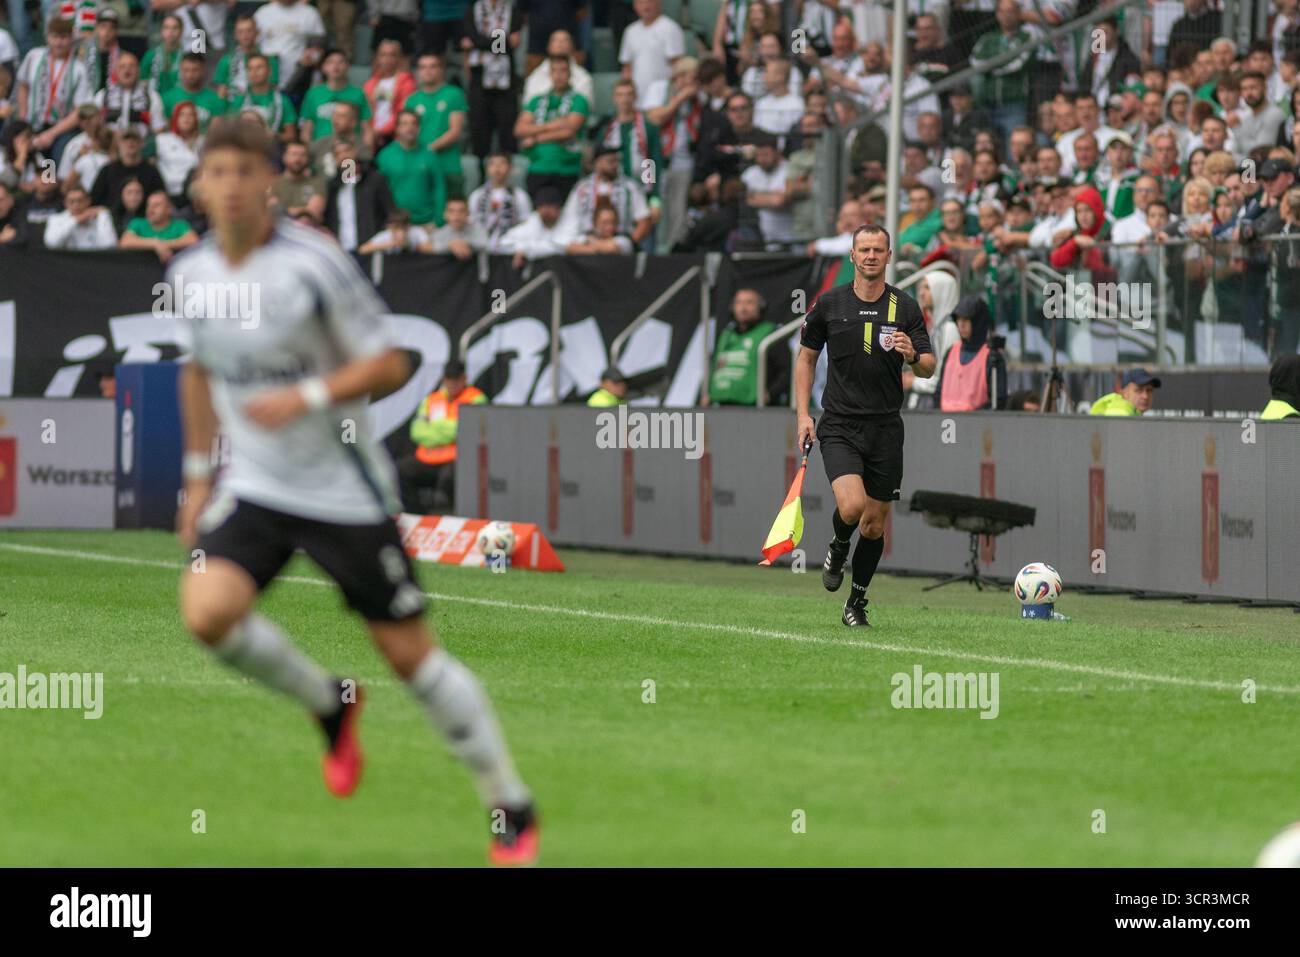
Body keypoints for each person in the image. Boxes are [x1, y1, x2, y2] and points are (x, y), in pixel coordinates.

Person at [173, 120, 538, 866]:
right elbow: (197, 368)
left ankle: (508, 800)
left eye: (246, 170)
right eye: (218, 171)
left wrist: (309, 392)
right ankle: (328, 703)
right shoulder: (192, 275)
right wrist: (198, 476)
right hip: (257, 486)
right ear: (200, 184)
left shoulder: (314, 263)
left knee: (410, 656)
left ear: (270, 181)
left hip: (344, 489)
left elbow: (392, 362)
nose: (233, 185)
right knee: (207, 610)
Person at [795, 225, 935, 627]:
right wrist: (803, 415)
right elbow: (805, 359)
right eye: (864, 249)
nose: (871, 256)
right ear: (853, 256)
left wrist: (912, 356)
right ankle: (839, 546)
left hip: (886, 428)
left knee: (874, 524)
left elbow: (929, 366)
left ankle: (856, 603)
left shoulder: (905, 307)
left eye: (878, 249)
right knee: (852, 506)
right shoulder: (830, 304)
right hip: (839, 423)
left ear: (889, 256)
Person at [397, 359, 486, 511]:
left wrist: (435, 427)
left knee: (450, 477)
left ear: (464, 379)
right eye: (448, 380)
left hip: (456, 459)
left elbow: (468, 431)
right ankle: (417, 516)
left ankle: (453, 518)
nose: (451, 384)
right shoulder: (431, 399)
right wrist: (450, 430)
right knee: (401, 469)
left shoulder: (476, 399)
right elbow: (417, 431)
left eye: (455, 380)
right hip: (428, 457)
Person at [706, 287, 788, 406]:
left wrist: (770, 394)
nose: (743, 308)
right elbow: (717, 367)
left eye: (749, 303)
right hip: (722, 407)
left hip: (757, 410)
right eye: (739, 303)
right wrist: (709, 393)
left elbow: (787, 370)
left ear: (761, 307)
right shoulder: (726, 335)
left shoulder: (771, 334)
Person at [935, 295, 1007, 412]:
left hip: (976, 425)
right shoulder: (951, 351)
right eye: (958, 319)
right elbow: (938, 392)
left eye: (966, 319)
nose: (961, 324)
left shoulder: (992, 356)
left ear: (978, 321)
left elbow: (998, 401)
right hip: (946, 424)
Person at [1089, 368, 1161, 415]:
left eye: (1149, 390)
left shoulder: (1132, 413)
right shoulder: (1120, 411)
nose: (1145, 396)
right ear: (1124, 393)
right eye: (1138, 390)